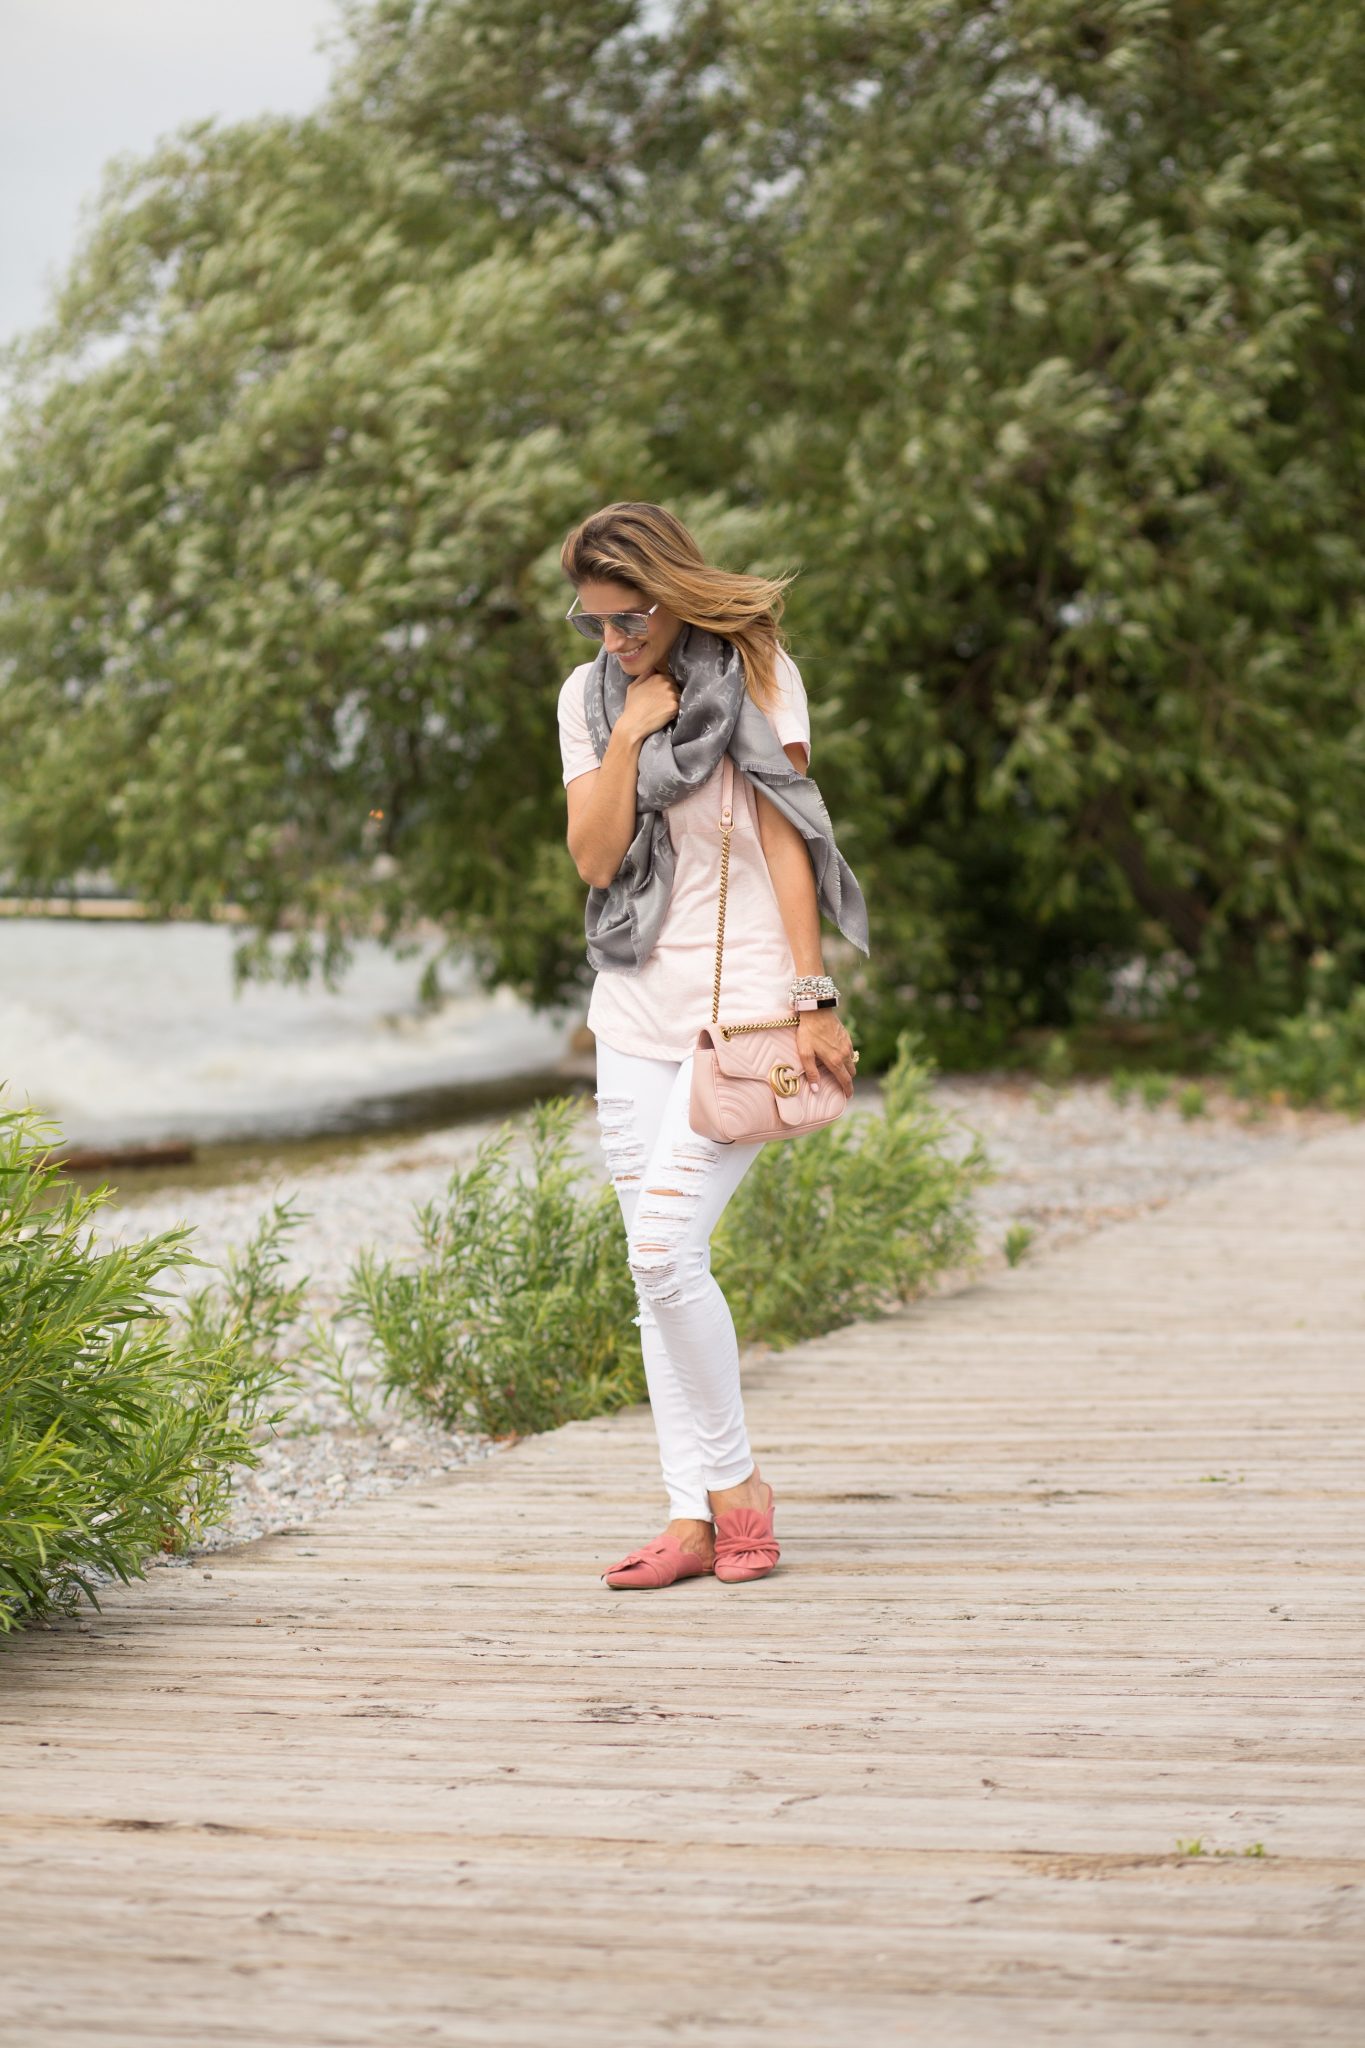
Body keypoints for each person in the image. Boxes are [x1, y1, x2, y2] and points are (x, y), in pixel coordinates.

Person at [556, 502, 869, 1590]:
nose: (612, 639)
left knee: (660, 1252)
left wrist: (813, 996)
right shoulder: (588, 699)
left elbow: (789, 839)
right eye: (593, 621)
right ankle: (689, 1516)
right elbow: (596, 860)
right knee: (656, 1274)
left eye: (628, 618)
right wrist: (629, 734)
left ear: (673, 594)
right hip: (631, 1012)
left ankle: (736, 1487)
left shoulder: (761, 674)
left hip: (740, 1018)